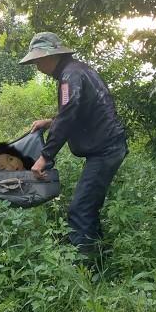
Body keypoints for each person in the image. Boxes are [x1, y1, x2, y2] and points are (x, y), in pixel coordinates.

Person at [20, 32, 128, 258]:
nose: (37, 66)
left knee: (80, 209)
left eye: (38, 60)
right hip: (109, 147)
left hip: (105, 150)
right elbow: (80, 111)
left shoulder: (69, 77)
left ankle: (84, 268)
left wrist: (44, 157)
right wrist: (51, 121)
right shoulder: (79, 70)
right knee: (88, 206)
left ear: (52, 56)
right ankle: (99, 257)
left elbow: (69, 115)